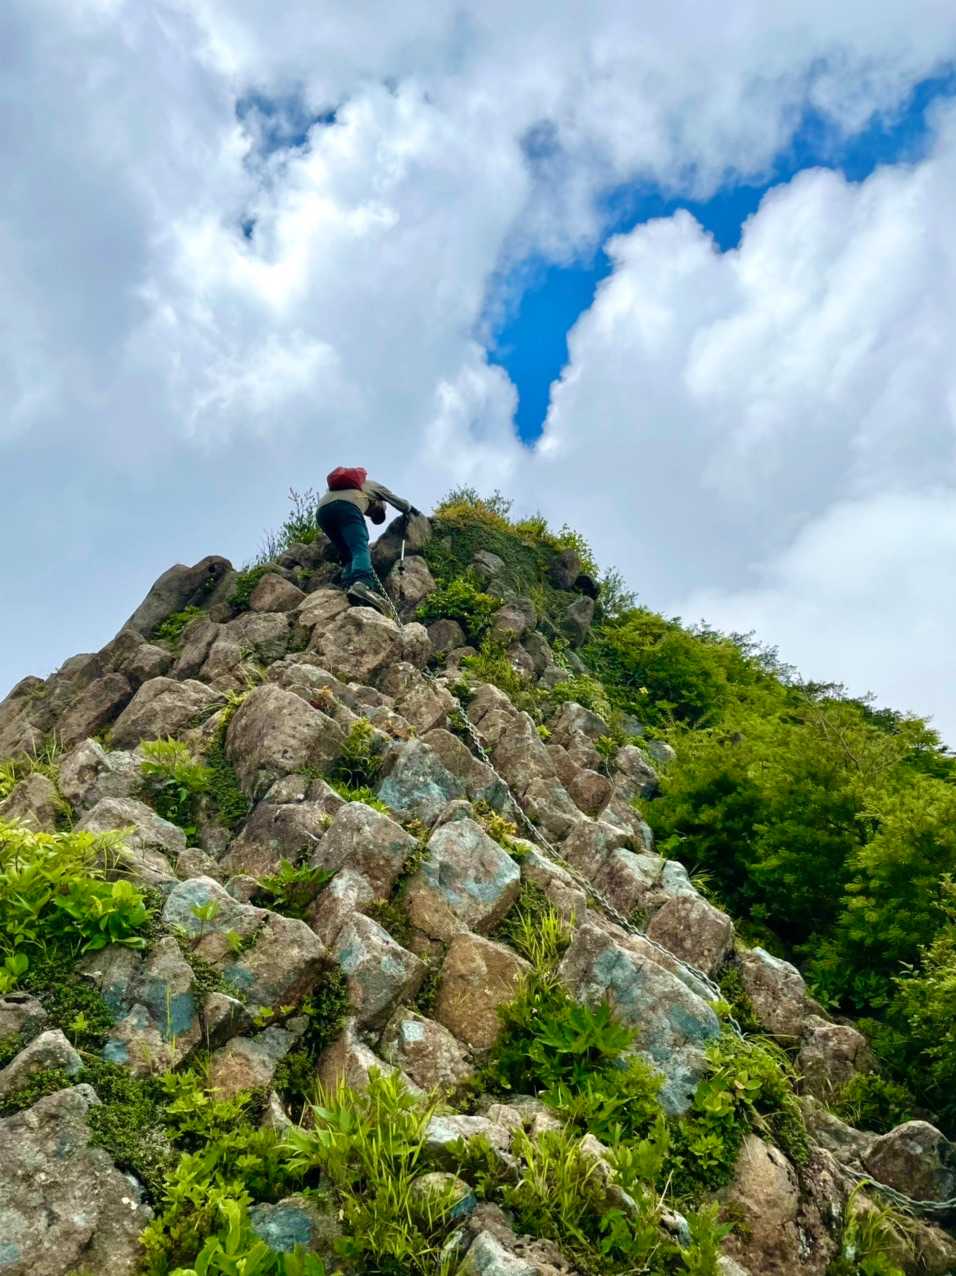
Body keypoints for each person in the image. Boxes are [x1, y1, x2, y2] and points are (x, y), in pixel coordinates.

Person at [317, 466, 419, 614]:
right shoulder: (373, 485)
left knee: (347, 553)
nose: (371, 514)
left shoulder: (345, 487)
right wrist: (410, 509)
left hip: (322, 512)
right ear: (379, 503)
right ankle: (362, 583)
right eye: (375, 513)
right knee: (360, 547)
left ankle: (348, 585)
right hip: (347, 507)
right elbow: (399, 502)